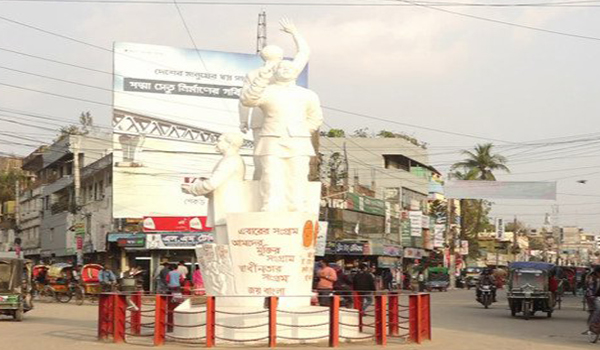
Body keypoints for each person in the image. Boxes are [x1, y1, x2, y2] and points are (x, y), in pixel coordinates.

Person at [240, 49, 323, 213]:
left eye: (290, 68)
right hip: (272, 138)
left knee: (298, 173)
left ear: (296, 73)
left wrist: (303, 130)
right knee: (271, 173)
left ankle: (297, 204)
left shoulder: (307, 95)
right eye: (282, 68)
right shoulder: (267, 91)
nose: (286, 70)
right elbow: (248, 100)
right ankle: (271, 203)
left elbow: (316, 117)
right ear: (275, 72)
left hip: (298, 139)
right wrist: (262, 78)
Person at [239, 17, 309, 181]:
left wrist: (243, 120)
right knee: (288, 159)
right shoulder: (288, 69)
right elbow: (304, 53)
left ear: (263, 57)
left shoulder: (253, 74)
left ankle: (260, 187)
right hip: (284, 120)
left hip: (259, 120)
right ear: (281, 54)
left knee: (262, 158)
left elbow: (244, 100)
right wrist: (294, 33)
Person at [181, 133, 246, 244]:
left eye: (220, 140)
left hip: (225, 208)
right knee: (222, 245)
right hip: (224, 207)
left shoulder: (230, 161)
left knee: (224, 246)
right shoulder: (230, 159)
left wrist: (192, 189)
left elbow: (211, 184)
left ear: (229, 143)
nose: (217, 143)